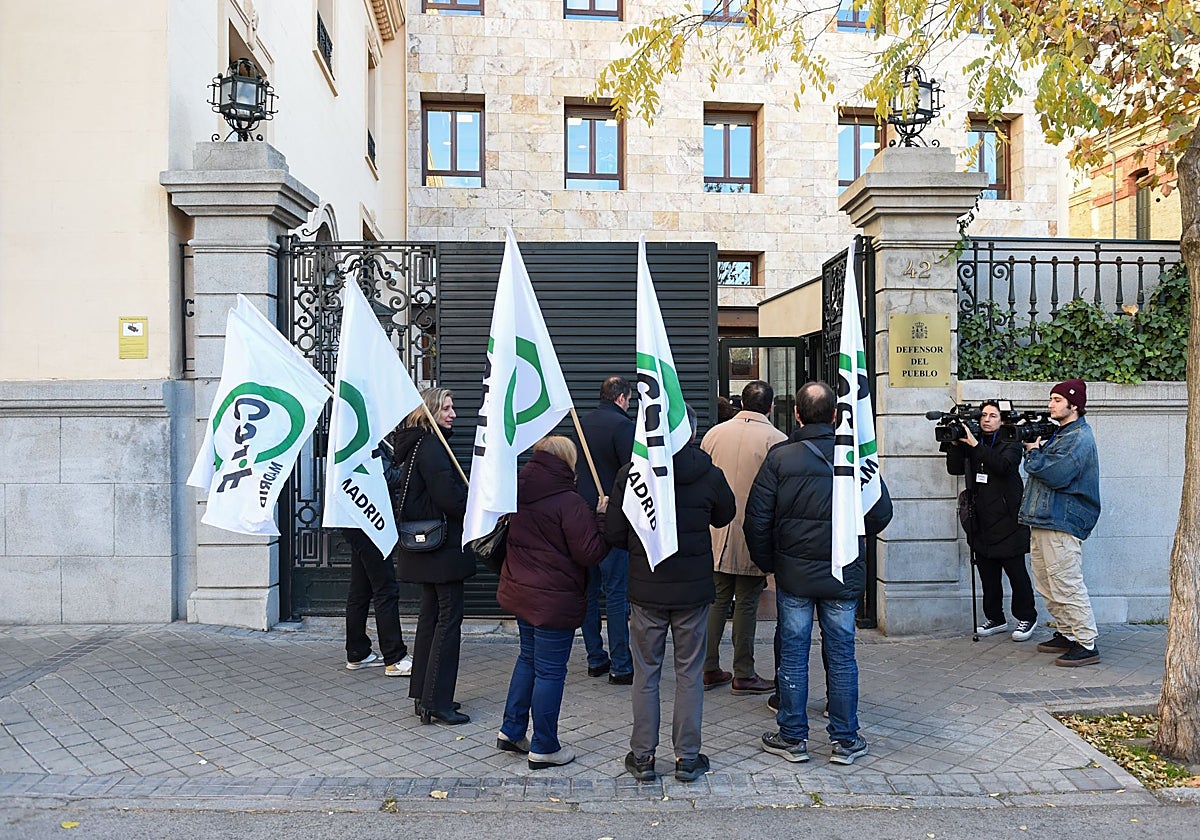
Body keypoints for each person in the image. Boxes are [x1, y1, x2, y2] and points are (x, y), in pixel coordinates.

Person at [745, 381, 892, 766]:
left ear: (795, 414)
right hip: (843, 571)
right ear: (834, 415)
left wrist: (771, 564)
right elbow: (880, 512)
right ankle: (846, 739)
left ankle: (792, 736)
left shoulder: (780, 457)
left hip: (793, 573)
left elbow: (756, 520)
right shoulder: (856, 457)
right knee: (842, 653)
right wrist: (849, 535)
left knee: (793, 653)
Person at [607, 405, 736, 783]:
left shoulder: (632, 474)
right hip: (693, 592)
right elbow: (725, 514)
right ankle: (688, 758)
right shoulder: (708, 472)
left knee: (645, 673)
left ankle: (644, 757)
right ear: (691, 433)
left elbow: (613, 533)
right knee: (689, 674)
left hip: (646, 589)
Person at [496, 436, 609, 770]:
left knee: (528, 659)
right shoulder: (568, 502)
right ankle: (544, 746)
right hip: (553, 600)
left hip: (522, 591)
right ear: (568, 463)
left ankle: (511, 730)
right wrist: (601, 518)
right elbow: (589, 553)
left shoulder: (516, 490)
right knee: (549, 671)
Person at [393, 387, 475, 724]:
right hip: (443, 552)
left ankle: (424, 697)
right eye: (446, 408)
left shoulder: (415, 446)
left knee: (430, 620)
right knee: (447, 622)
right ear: (430, 411)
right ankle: (437, 702)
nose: (453, 414)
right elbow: (449, 499)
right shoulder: (432, 448)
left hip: (428, 551)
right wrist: (473, 501)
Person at [700, 380, 786, 695]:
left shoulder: (713, 434)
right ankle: (743, 672)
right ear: (771, 406)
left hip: (714, 529)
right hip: (754, 531)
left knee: (717, 600)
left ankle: (708, 667)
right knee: (747, 602)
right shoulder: (777, 440)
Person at [1019, 379, 1102, 667]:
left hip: (1061, 520)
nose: (1050, 404)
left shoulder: (1078, 437)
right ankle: (1067, 633)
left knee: (1065, 582)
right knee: (1047, 583)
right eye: (1051, 399)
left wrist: (1032, 451)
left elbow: (1056, 474)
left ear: (1074, 405)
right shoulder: (1062, 433)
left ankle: (1086, 642)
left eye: (1056, 399)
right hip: (1045, 518)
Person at [944, 400, 1037, 641]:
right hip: (980, 518)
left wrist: (975, 445)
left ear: (1002, 420)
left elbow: (1003, 466)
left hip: (1008, 519)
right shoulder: (974, 440)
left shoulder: (1011, 441)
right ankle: (995, 618)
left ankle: (1027, 617)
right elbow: (954, 468)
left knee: (1016, 573)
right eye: (983, 415)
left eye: (993, 415)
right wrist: (955, 444)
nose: (987, 419)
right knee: (988, 573)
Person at [577, 376, 636, 685]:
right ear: (621, 398)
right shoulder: (623, 427)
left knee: (589, 591)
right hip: (613, 519)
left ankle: (594, 657)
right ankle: (621, 664)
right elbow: (632, 471)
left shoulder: (581, 424)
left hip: (584, 518)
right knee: (615, 592)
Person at [343, 444, 413, 675]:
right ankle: (394, 657)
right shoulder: (366, 437)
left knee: (361, 588)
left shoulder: (354, 433)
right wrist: (410, 468)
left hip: (355, 518)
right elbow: (385, 477)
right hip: (368, 522)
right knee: (386, 589)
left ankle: (358, 652)